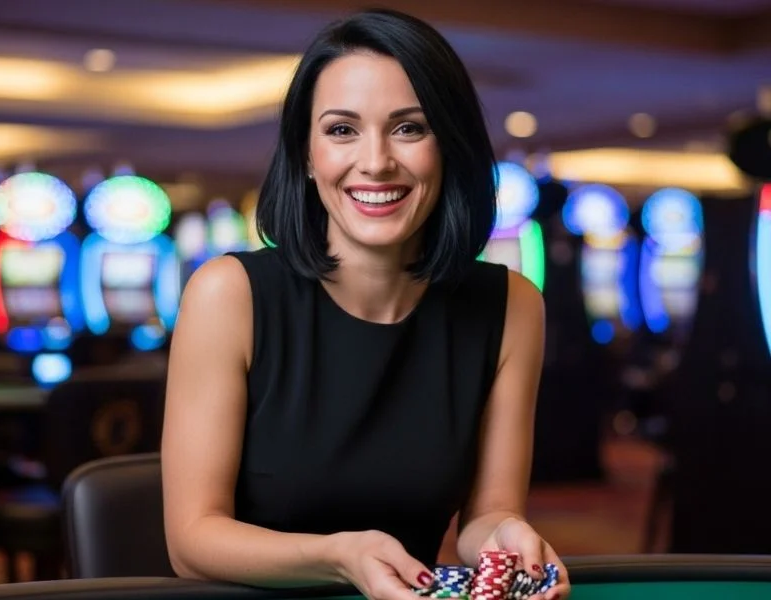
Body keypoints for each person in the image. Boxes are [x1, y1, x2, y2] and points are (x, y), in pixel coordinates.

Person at [161, 8, 570, 600]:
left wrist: (508, 533)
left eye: (409, 128)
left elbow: (484, 519)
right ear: (305, 152)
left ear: (449, 145)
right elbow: (192, 541)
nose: (376, 161)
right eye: (341, 130)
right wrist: (340, 555)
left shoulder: (511, 305)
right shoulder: (229, 294)